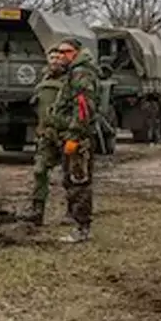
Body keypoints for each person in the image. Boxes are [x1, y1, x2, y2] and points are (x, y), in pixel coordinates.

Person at [52, 37, 100, 242]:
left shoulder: (81, 74)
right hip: (70, 135)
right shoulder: (72, 73)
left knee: (78, 180)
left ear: (76, 52)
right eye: (60, 52)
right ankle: (78, 224)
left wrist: (74, 136)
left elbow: (83, 109)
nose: (61, 56)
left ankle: (82, 228)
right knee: (71, 180)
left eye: (66, 52)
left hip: (78, 138)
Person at [26, 46, 67, 227]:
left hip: (66, 135)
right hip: (45, 136)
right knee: (39, 170)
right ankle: (37, 211)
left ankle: (73, 212)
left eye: (59, 58)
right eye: (52, 58)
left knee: (71, 176)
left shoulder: (72, 81)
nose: (55, 61)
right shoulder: (42, 81)